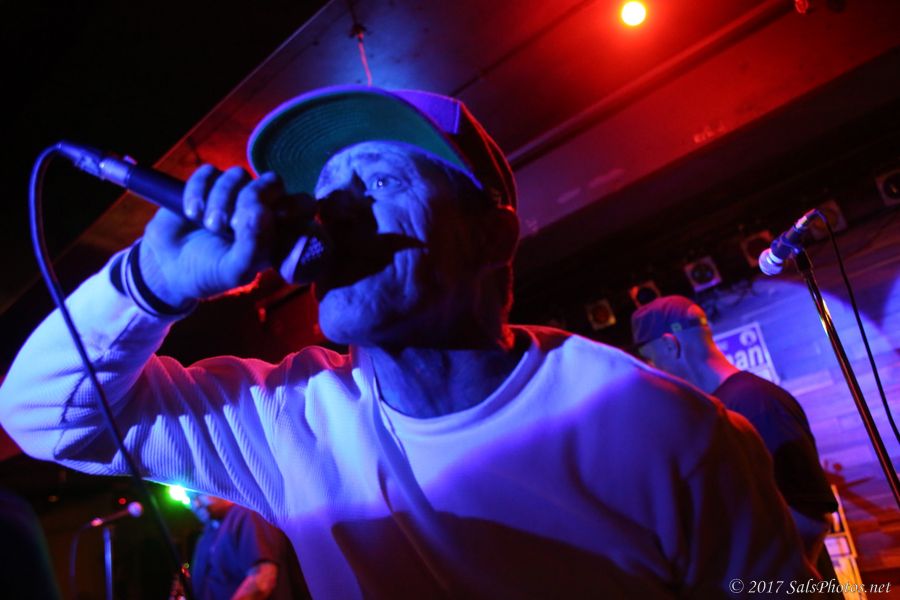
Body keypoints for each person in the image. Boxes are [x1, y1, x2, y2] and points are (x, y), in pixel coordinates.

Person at [1, 85, 816, 598]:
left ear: (493, 235)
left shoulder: (667, 429)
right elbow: (41, 414)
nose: (335, 213)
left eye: (382, 181)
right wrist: (149, 282)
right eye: (324, 192)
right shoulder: (289, 416)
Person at [631, 295, 839, 579]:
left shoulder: (756, 402)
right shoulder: (724, 406)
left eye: (651, 360)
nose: (654, 372)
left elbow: (811, 515)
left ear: (670, 344)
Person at [179, 494, 308, 600]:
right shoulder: (207, 533)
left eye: (199, 495)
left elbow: (262, 579)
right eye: (190, 499)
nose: (196, 504)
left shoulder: (248, 514)